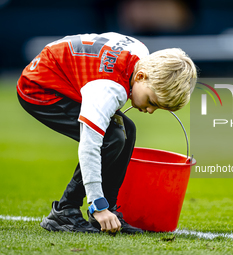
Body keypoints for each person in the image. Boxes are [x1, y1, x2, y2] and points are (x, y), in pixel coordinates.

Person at [17, 32, 197, 234]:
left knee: (127, 130)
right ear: (140, 76)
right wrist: (97, 205)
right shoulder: (109, 89)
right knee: (110, 138)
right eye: (152, 102)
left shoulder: (140, 54)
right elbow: (89, 146)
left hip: (63, 73)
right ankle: (66, 210)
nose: (150, 111)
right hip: (40, 87)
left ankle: (110, 209)